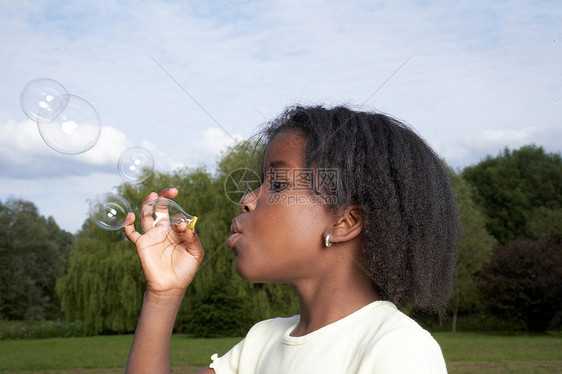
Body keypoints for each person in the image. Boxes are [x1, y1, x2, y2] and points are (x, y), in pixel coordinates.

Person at [123, 105, 460, 373]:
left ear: (345, 221)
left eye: (279, 184)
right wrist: (163, 295)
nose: (247, 199)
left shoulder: (395, 348)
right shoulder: (260, 342)